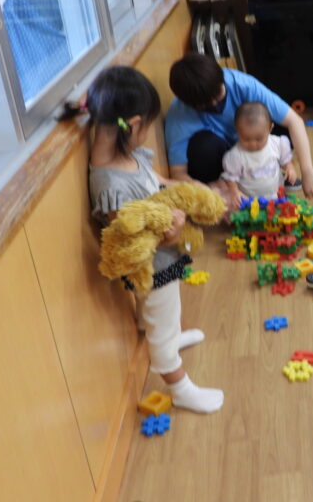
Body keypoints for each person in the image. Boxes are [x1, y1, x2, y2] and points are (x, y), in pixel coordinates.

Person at [68, 66, 224, 414]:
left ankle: (163, 334)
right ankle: (180, 387)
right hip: (153, 269)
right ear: (133, 124)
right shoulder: (111, 186)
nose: (149, 132)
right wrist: (174, 230)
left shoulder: (127, 155)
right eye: (149, 125)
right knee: (162, 323)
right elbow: (135, 242)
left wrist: (195, 192)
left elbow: (159, 183)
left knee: (162, 315)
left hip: (163, 264)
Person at [165, 52, 313, 207]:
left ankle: (271, 171)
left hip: (255, 144)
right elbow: (178, 172)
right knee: (204, 146)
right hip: (225, 160)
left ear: (221, 78)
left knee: (269, 117)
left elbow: (294, 121)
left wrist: (307, 171)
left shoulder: (242, 84)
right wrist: (203, 190)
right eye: (208, 105)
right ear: (191, 104)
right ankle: (226, 190)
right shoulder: (179, 114)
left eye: (219, 95)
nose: (216, 104)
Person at [221, 102, 296, 199]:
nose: (253, 144)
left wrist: (289, 167)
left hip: (276, 194)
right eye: (246, 139)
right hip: (249, 199)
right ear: (237, 131)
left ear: (270, 128)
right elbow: (231, 178)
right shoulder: (235, 156)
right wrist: (235, 192)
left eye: (259, 139)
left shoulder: (277, 144)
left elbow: (285, 161)